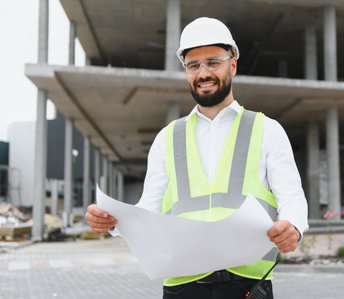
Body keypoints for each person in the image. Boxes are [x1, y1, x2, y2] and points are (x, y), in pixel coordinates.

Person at [85, 17, 308, 299]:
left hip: (247, 285)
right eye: (193, 66)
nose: (203, 73)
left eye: (213, 62)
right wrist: (114, 220)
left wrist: (293, 227)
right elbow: (149, 208)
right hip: (182, 286)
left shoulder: (267, 130)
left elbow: (292, 198)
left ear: (233, 65)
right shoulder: (167, 137)